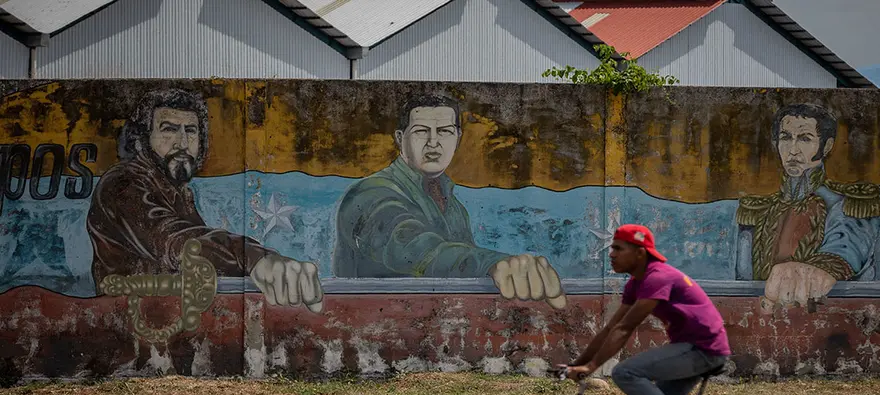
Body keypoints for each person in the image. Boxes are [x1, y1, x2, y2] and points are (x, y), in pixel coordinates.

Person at [87, 88, 323, 312]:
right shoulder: (122, 184)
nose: (182, 143)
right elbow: (174, 240)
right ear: (141, 140)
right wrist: (255, 258)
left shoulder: (176, 190)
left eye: (191, 131)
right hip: (133, 324)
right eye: (169, 129)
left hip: (166, 320)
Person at [334, 94, 565, 309]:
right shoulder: (370, 194)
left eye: (444, 131)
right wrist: (493, 264)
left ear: (457, 138)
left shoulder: (453, 207)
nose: (433, 142)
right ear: (400, 139)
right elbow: (412, 246)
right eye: (421, 131)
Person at [563, 224, 731, 395]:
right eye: (612, 248)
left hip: (703, 349)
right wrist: (577, 364)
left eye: (618, 248)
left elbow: (625, 329)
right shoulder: (635, 284)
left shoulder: (657, 277)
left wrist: (591, 367)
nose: (611, 254)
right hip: (691, 348)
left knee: (625, 372)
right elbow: (610, 328)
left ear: (640, 252)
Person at [736, 103, 880, 311]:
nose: (793, 150)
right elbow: (742, 284)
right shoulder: (757, 210)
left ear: (827, 146)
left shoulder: (848, 203)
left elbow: (846, 248)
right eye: (786, 138)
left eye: (805, 139)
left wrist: (817, 269)